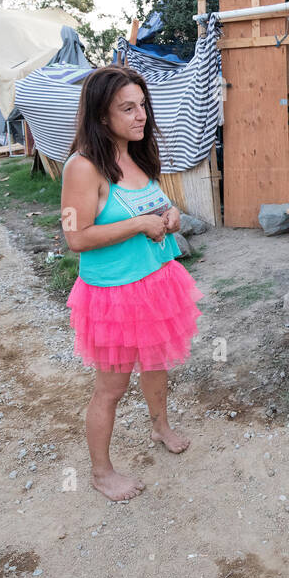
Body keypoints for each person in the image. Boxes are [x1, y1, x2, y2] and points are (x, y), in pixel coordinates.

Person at [61, 65, 203, 502]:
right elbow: (74, 236)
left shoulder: (137, 154)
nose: (140, 116)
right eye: (127, 108)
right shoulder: (82, 167)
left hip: (156, 284)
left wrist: (169, 214)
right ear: (102, 116)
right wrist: (140, 225)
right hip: (114, 295)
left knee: (157, 365)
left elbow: (154, 206)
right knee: (111, 388)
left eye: (142, 106)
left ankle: (160, 427)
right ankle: (102, 473)